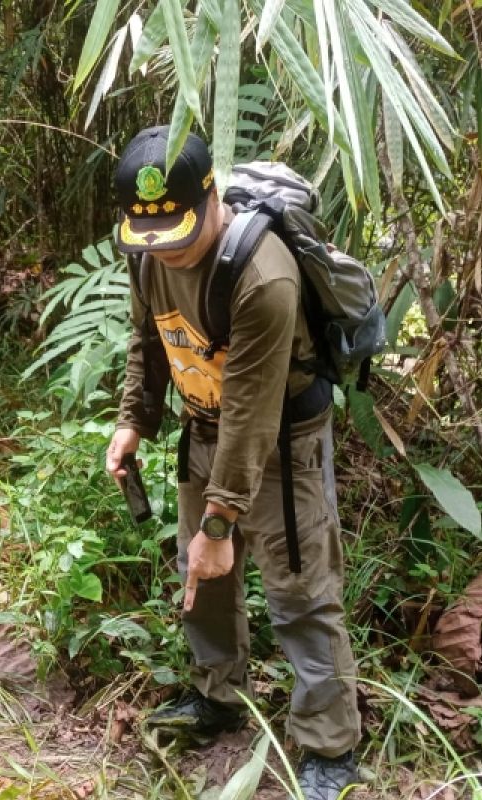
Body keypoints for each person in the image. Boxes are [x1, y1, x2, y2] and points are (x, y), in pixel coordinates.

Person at [103, 126, 361, 799]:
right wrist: (134, 419)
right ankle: (219, 695)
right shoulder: (148, 251)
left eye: (181, 236)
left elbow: (254, 412)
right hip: (204, 425)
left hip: (281, 440)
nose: (169, 255)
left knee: (300, 592)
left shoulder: (264, 276)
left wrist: (221, 526)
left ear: (211, 198)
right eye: (152, 240)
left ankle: (330, 745)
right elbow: (149, 337)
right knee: (203, 578)